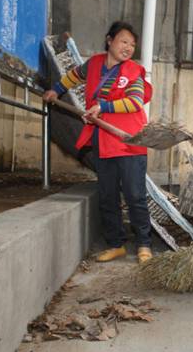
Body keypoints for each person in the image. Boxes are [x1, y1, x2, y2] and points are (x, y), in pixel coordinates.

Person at [43, 21, 153, 264]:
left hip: (129, 142)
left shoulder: (133, 71)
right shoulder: (93, 64)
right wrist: (56, 90)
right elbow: (73, 76)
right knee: (107, 195)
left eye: (132, 44)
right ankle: (116, 244)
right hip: (103, 141)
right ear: (109, 40)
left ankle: (144, 244)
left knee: (135, 195)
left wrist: (102, 106)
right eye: (124, 41)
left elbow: (135, 102)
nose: (128, 47)